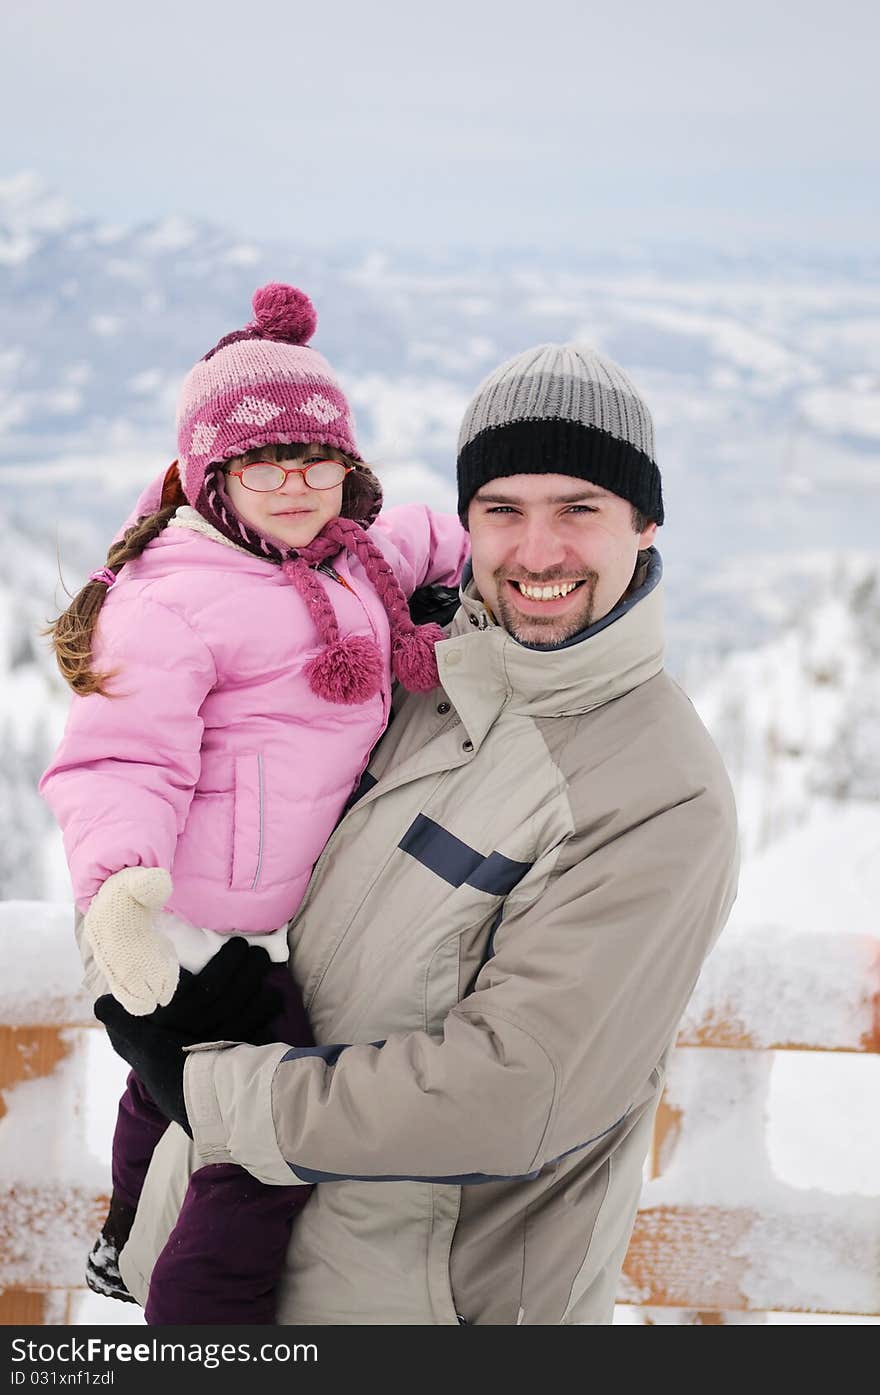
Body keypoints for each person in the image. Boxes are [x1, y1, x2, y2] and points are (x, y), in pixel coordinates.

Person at [94, 341, 740, 1326]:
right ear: (464, 521)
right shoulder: (402, 676)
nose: (537, 552)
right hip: (242, 1286)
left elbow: (512, 1091)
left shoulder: (654, 787)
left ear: (644, 524)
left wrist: (207, 1087)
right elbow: (187, 774)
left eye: (578, 509)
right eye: (503, 510)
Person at [39, 283, 470, 1324]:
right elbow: (118, 761)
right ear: (210, 473)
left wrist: (497, 556)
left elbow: (433, 538)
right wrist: (121, 894)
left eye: (318, 460)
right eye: (263, 462)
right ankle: (203, 1335)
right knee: (264, 1152)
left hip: (266, 919)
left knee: (163, 1095)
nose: (296, 484)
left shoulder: (350, 557)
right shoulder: (172, 599)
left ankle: (121, 1239)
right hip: (184, 930)